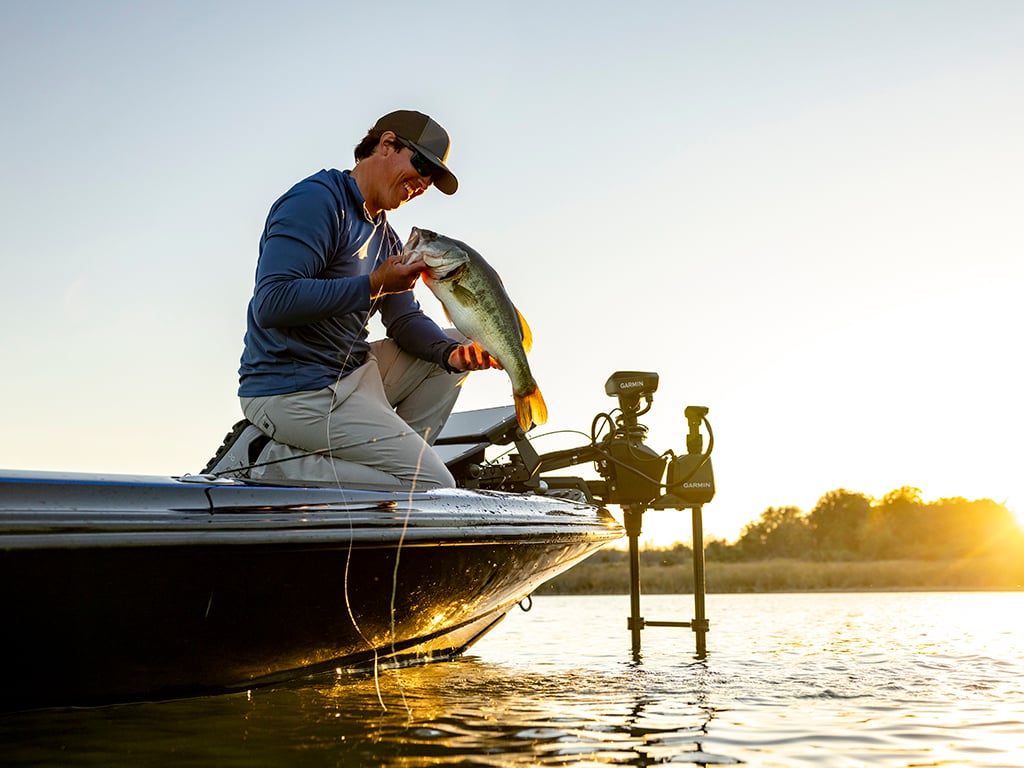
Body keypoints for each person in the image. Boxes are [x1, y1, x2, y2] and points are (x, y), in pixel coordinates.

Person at [236, 110, 498, 489]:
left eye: (431, 178)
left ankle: (384, 470)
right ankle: (272, 463)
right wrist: (375, 283)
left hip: (352, 375)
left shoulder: (388, 238)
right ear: (387, 144)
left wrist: (449, 354)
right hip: (293, 392)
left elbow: (405, 320)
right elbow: (273, 301)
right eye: (422, 165)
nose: (423, 182)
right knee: (430, 485)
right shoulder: (317, 201)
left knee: (453, 345)